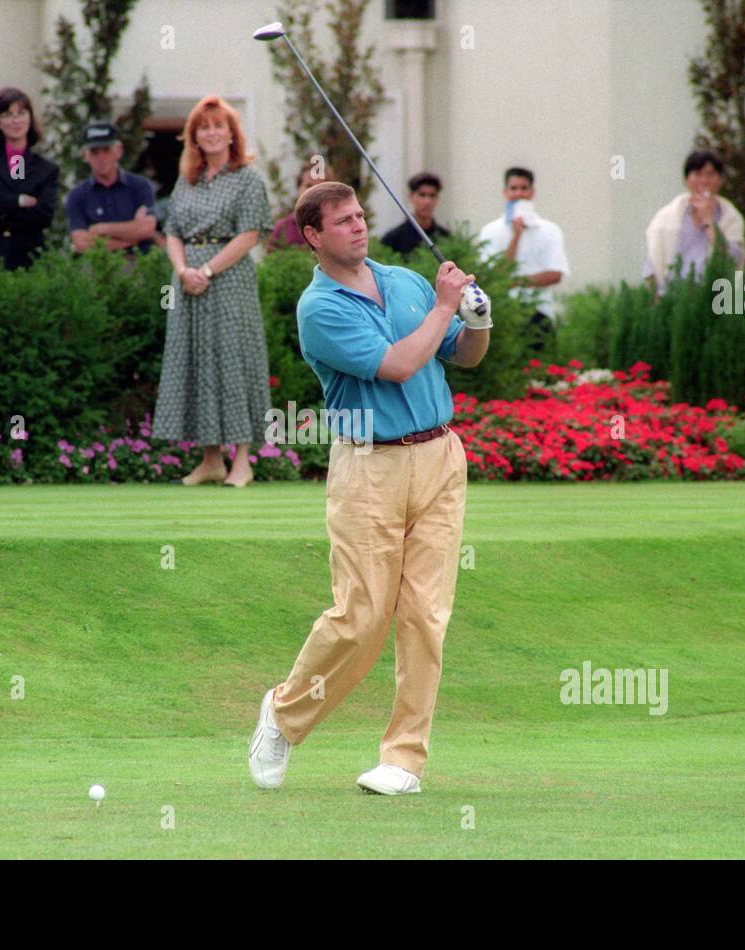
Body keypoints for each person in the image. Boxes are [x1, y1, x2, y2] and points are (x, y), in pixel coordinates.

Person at [247, 181, 490, 795]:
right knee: (361, 616)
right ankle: (282, 714)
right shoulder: (319, 309)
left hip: (439, 456)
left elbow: (462, 355)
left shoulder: (407, 282)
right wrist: (444, 306)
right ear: (313, 236)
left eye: (360, 216)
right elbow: (400, 363)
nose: (358, 227)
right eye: (343, 221)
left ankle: (403, 760)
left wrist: (476, 319)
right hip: (368, 467)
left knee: (425, 617)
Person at [152, 94, 273, 489]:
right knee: (198, 363)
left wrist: (204, 269)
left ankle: (242, 461)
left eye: (219, 125)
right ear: (194, 136)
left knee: (233, 362)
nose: (212, 132)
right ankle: (210, 460)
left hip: (229, 280)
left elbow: (250, 234)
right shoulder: (186, 181)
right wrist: (183, 270)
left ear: (231, 133)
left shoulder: (247, 179)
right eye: (204, 127)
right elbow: (171, 232)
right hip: (188, 282)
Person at [0, 87, 59, 269]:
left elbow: (44, 215)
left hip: (27, 259)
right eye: (8, 114)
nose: (16, 120)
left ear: (30, 119)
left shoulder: (46, 169)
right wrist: (20, 201)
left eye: (21, 113)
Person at [478, 167, 570, 341]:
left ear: (532, 192)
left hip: (540, 313)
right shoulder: (491, 231)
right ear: (505, 192)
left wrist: (515, 282)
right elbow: (494, 276)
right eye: (514, 188)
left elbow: (555, 273)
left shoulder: (550, 230)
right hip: (502, 314)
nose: (519, 193)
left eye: (524, 188)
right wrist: (516, 236)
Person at [643, 149, 745, 294]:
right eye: (698, 174)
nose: (704, 181)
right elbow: (652, 263)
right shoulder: (666, 217)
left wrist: (710, 222)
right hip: (672, 298)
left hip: (712, 299)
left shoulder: (730, 218)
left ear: (720, 180)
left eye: (710, 174)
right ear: (686, 180)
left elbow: (733, 260)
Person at [65, 122, 157, 255]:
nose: (101, 158)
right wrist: (131, 237)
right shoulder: (77, 195)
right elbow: (82, 243)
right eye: (94, 152)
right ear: (85, 155)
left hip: (136, 262)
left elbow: (147, 228)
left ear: (118, 150)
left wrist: (102, 229)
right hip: (96, 263)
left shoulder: (140, 186)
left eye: (106, 150)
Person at [380, 171, 450, 257]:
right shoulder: (392, 239)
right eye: (422, 195)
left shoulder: (446, 237)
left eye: (432, 195)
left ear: (437, 199)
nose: (427, 201)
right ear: (411, 197)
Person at [266, 163, 329, 251]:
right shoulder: (282, 228)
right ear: (298, 188)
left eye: (321, 187)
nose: (314, 192)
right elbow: (271, 261)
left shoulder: (341, 224)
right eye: (308, 186)